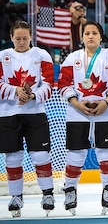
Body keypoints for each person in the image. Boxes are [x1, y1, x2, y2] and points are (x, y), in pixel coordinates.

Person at [57, 21, 108, 215]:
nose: (90, 36)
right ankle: (70, 190)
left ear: (101, 37)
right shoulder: (72, 58)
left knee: (105, 152)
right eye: (87, 33)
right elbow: (64, 85)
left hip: (106, 111)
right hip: (77, 112)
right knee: (76, 153)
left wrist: (106, 102)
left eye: (94, 33)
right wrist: (76, 104)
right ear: (82, 37)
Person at [0, 20, 55, 218]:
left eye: (25, 38)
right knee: (13, 157)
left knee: (41, 155)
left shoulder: (41, 55)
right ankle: (16, 197)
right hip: (8, 114)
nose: (22, 42)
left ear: (31, 36)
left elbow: (49, 84)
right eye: (18, 38)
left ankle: (48, 193)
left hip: (35, 113)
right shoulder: (3, 56)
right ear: (11, 38)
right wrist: (15, 91)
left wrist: (32, 96)